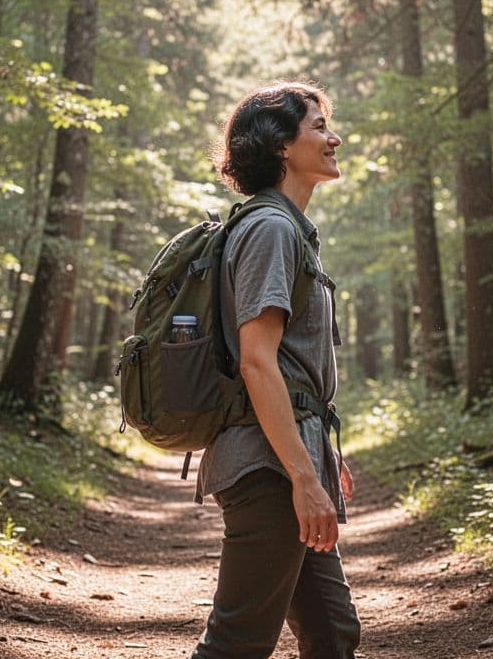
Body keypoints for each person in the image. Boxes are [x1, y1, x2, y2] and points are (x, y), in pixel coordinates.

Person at [191, 82, 360, 659]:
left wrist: (320, 451)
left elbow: (288, 368)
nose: (334, 137)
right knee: (236, 645)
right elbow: (257, 361)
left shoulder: (289, 228)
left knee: (332, 634)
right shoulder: (271, 229)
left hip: (282, 458)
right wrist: (302, 477)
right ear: (282, 146)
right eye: (318, 127)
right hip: (267, 470)